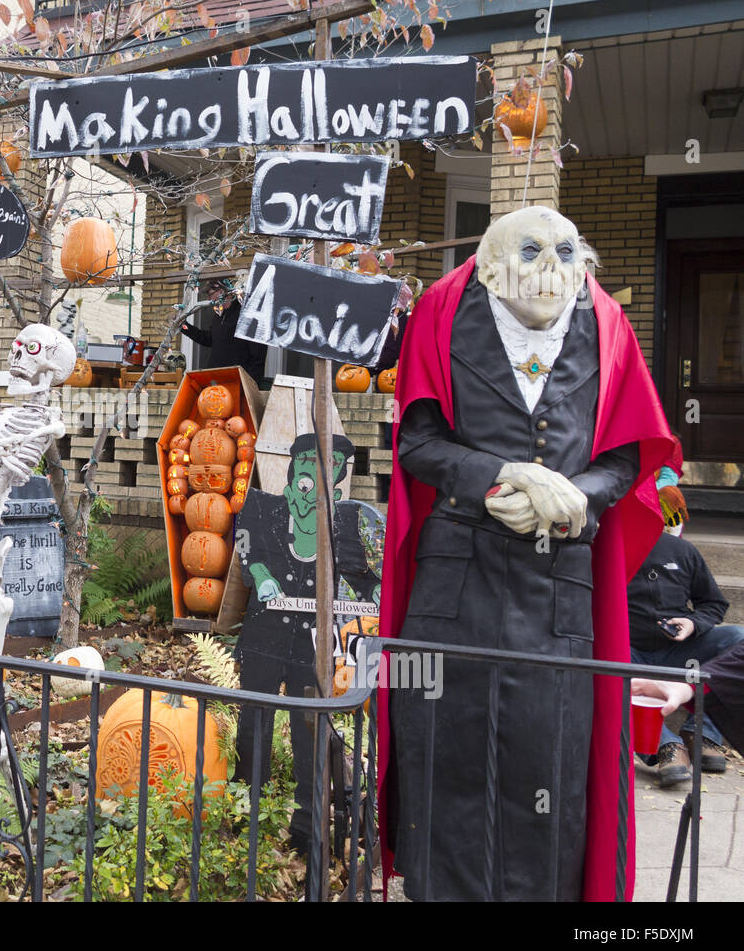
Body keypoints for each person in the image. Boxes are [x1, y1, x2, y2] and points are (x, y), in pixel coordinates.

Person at [378, 206, 674, 902]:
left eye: (565, 251)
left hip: (558, 588)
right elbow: (416, 444)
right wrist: (499, 477)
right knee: (442, 756)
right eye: (531, 249)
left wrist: (576, 493)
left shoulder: (609, 328)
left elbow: (628, 457)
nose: (549, 266)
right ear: (486, 266)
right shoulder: (442, 316)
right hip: (453, 588)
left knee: (552, 766)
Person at [233, 432, 353, 851]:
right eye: (305, 483)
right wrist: (263, 578)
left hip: (311, 645)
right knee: (255, 722)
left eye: (324, 485)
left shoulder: (346, 524)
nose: (312, 495)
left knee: (309, 731)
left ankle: (306, 826)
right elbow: (245, 543)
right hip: (265, 637)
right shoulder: (261, 508)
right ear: (290, 478)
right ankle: (247, 815)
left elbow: (362, 576)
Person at [627, 527, 742, 784]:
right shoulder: (604, 549)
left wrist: (693, 623)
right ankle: (666, 746)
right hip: (626, 652)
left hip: (681, 652)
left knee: (736, 638)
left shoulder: (681, 549)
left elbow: (713, 603)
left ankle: (701, 732)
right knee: (600, 658)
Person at [180, 279, 267, 382]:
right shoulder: (219, 315)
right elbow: (209, 339)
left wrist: (250, 382)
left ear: (221, 292)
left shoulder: (246, 314)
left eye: (210, 294)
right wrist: (184, 326)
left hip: (238, 380)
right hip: (216, 378)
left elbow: (258, 353)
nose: (208, 298)